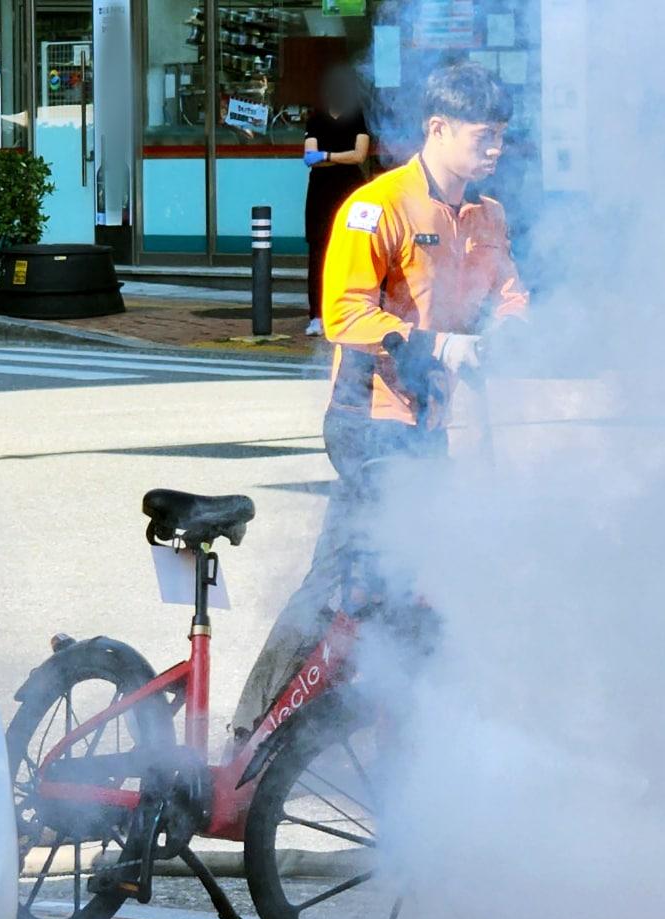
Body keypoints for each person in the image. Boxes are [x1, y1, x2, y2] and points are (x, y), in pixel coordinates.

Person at [232, 63, 528, 736]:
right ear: (438, 128)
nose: (496, 150)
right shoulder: (378, 206)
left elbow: (510, 295)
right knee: (349, 578)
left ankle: (395, 725)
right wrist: (435, 344)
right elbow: (343, 313)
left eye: (502, 137)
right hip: (369, 420)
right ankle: (254, 729)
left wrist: (509, 332)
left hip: (428, 422)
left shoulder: (487, 215)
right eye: (485, 136)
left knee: (423, 570)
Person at [303, 65, 370, 336]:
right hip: (320, 194)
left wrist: (327, 156)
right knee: (318, 253)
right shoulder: (316, 119)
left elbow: (360, 156)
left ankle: (350, 311)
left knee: (353, 250)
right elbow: (310, 158)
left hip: (350, 191)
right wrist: (335, 157)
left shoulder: (357, 118)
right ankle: (316, 315)